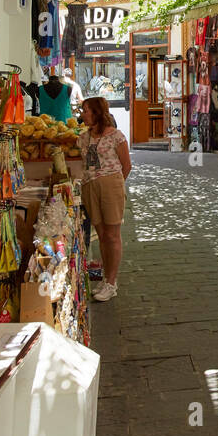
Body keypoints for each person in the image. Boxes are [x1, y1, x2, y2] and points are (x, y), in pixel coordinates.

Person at [78, 96, 131, 301]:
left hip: (111, 184)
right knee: (101, 234)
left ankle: (111, 281)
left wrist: (115, 185)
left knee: (112, 235)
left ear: (97, 112)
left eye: (86, 111)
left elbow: (126, 165)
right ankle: (106, 279)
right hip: (89, 186)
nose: (83, 115)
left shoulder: (116, 136)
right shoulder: (84, 137)